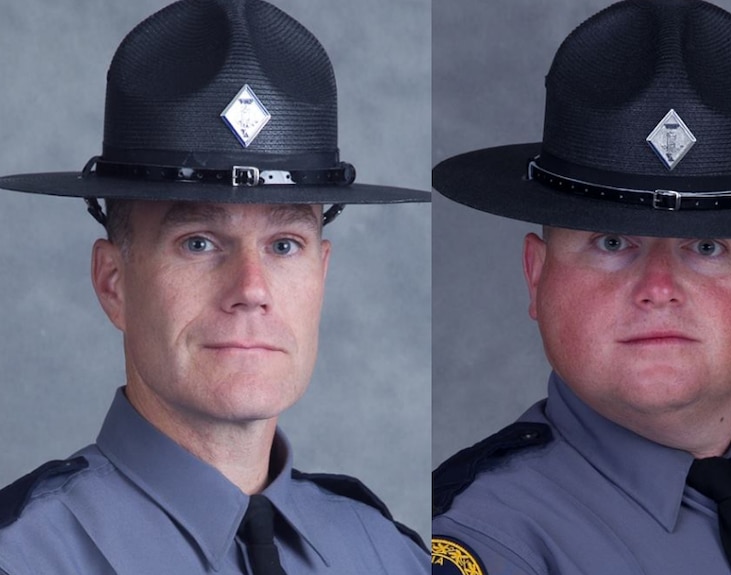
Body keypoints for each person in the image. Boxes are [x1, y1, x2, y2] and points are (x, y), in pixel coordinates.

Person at [431, 0, 731, 573]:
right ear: (536, 276)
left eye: (706, 248)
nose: (659, 288)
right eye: (612, 243)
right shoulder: (480, 536)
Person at [0, 0, 430, 573]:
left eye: (284, 245)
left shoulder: (387, 554)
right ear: (113, 282)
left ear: (321, 275)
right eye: (199, 242)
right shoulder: (26, 556)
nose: (251, 288)